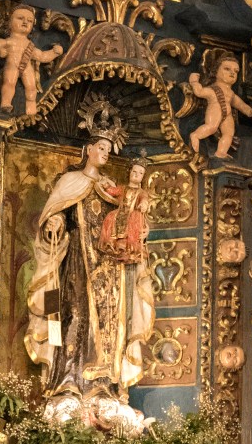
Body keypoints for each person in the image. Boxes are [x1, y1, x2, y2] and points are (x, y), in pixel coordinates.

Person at [25, 136, 155, 410]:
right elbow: (57, 210)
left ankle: (104, 384)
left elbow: (127, 216)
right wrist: (56, 220)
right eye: (101, 148)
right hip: (76, 263)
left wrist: (142, 229)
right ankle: (67, 382)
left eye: (109, 149)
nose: (106, 153)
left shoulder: (110, 188)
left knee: (111, 323)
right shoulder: (71, 181)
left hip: (108, 268)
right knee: (73, 315)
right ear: (88, 150)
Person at [0, 5, 64, 116]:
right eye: (20, 18)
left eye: (29, 21)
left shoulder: (29, 46)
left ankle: (31, 105)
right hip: (12, 65)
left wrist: (54, 52)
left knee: (31, 86)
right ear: (9, 23)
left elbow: (42, 56)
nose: (25, 22)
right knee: (9, 82)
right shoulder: (9, 42)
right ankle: (6, 102)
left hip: (26, 67)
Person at [188, 52, 252, 159]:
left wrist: (247, 110)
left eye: (236, 71)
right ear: (215, 72)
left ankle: (221, 152)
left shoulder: (231, 93)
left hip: (228, 115)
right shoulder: (212, 89)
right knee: (211, 127)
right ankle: (195, 135)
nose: (232, 73)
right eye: (227, 69)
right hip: (216, 109)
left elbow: (239, 103)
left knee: (228, 134)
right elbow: (199, 92)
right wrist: (194, 81)